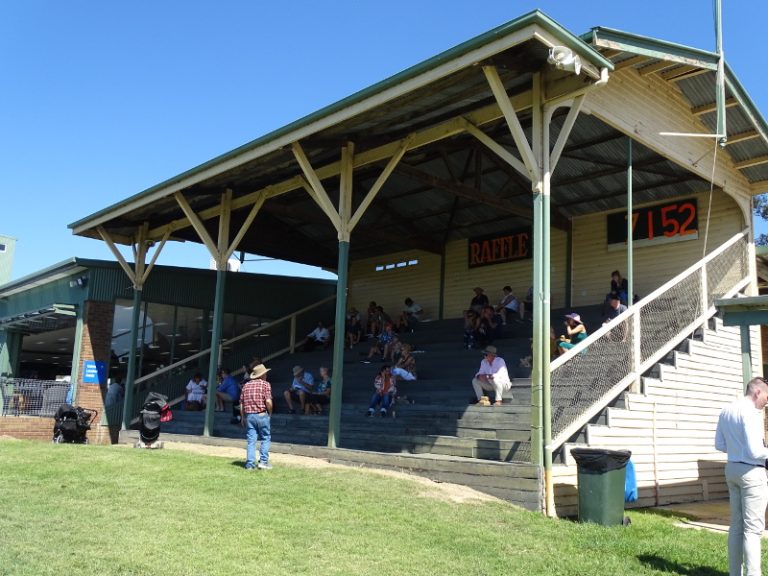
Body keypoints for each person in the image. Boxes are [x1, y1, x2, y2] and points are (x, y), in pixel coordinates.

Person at [715, 377, 768, 576]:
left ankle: (734, 573)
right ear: (757, 393)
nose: (766, 402)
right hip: (752, 473)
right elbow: (756, 451)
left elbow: (719, 445)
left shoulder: (726, 410)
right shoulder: (752, 413)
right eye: (766, 397)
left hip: (732, 469)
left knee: (736, 526)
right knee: (753, 530)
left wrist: (738, 449)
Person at [240, 363, 273, 470]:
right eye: (266, 373)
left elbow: (241, 403)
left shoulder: (246, 385)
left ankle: (250, 464)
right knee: (265, 438)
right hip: (262, 414)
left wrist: (242, 417)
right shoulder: (265, 384)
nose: (267, 375)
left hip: (249, 416)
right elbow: (268, 401)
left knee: (251, 441)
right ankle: (263, 462)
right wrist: (270, 413)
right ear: (262, 375)